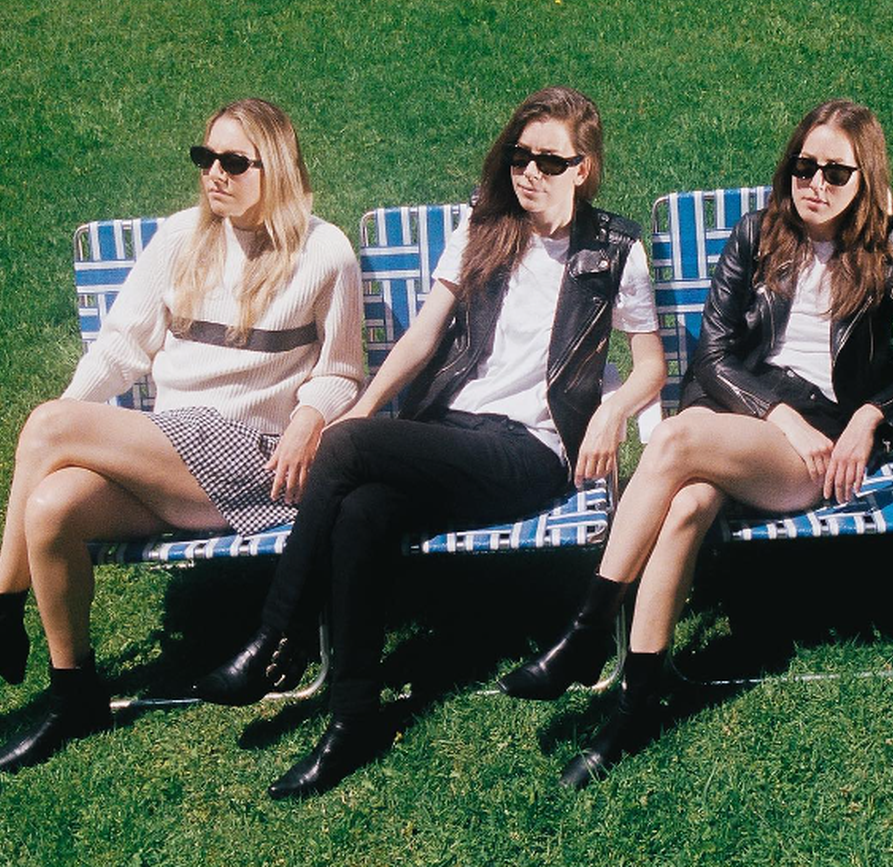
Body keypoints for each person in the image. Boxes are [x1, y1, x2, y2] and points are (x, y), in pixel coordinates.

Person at [193, 86, 667, 798]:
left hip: (531, 452)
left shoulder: (616, 249)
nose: (529, 172)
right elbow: (421, 336)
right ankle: (354, 718)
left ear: (584, 168)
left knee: (345, 449)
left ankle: (273, 638)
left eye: (548, 160)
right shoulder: (485, 226)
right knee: (361, 510)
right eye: (518, 155)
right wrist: (368, 406)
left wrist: (614, 406)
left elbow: (652, 362)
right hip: (451, 431)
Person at [0, 98, 364, 777]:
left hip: (253, 463)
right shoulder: (180, 237)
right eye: (205, 159)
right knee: (51, 508)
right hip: (170, 454)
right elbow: (119, 350)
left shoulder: (324, 251)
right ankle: (73, 691)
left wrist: (311, 416)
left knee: (49, 423)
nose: (214, 175)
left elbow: (343, 372)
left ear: (277, 166)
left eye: (233, 162)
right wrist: (69, 434)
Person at [498, 98, 893, 788]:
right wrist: (777, 413)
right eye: (804, 166)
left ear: (865, 177)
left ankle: (587, 632)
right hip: (750, 422)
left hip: (821, 448)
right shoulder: (757, 234)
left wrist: (869, 416)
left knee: (679, 437)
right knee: (685, 505)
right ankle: (632, 708)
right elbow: (712, 358)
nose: (816, 183)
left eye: (836, 172)